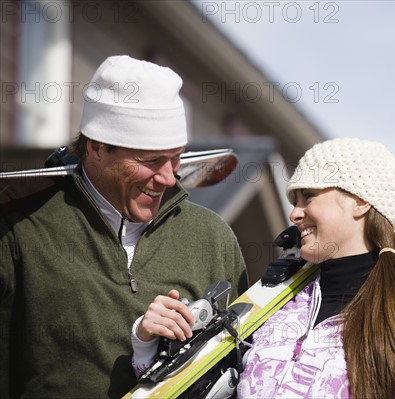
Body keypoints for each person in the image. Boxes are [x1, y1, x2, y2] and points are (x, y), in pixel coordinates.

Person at [0, 55, 248, 398]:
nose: (167, 177)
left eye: (175, 157)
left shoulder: (212, 237)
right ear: (97, 148)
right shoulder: (22, 231)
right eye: (150, 161)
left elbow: (246, 366)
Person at [236, 138, 395, 398]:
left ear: (360, 202)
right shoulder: (279, 305)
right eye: (295, 201)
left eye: (308, 196)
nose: (294, 214)